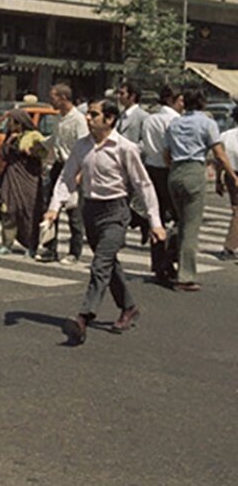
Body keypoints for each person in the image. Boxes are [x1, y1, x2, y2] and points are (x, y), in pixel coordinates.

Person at [46, 100, 164, 346]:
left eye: (94, 114)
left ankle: (83, 317)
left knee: (100, 263)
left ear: (109, 119)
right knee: (109, 263)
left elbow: (144, 185)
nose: (88, 118)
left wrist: (155, 221)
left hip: (116, 212)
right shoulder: (82, 146)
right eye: (88, 114)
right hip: (90, 210)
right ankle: (129, 307)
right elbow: (67, 177)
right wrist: (53, 208)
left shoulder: (125, 148)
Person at [164, 87, 238, 291]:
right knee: (191, 226)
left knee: (180, 220)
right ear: (203, 103)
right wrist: (231, 175)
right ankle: (185, 276)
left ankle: (166, 260)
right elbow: (219, 153)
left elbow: (166, 153)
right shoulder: (207, 123)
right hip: (194, 170)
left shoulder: (174, 123)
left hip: (175, 171)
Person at [139, 84, 183, 283]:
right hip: (168, 170)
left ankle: (158, 262)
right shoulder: (175, 121)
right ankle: (170, 256)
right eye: (180, 99)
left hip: (151, 169)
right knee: (178, 217)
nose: (183, 104)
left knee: (156, 217)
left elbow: (145, 145)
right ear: (171, 100)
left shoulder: (150, 119)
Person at [0, 110, 47, 259]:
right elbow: (2, 155)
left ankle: (31, 245)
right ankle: (7, 243)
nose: (9, 125)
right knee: (8, 210)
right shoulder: (10, 137)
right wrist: (10, 141)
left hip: (28, 178)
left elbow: (45, 152)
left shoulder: (34, 136)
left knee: (29, 211)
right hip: (11, 177)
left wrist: (31, 151)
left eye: (11, 122)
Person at [47, 84, 88, 265]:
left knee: (74, 212)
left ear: (63, 98)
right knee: (50, 207)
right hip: (59, 166)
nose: (51, 101)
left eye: (54, 97)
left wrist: (80, 172)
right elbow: (54, 139)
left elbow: (85, 146)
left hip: (74, 167)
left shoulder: (78, 120)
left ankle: (74, 251)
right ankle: (50, 248)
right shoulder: (59, 119)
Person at [116, 81, 151, 243]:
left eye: (122, 93)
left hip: (133, 164)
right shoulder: (120, 115)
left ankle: (140, 222)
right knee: (121, 201)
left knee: (126, 201)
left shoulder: (143, 117)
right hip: (117, 164)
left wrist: (133, 150)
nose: (119, 96)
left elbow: (145, 142)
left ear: (132, 96)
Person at [218, 105, 238, 261]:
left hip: (229, 175)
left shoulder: (225, 136)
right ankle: (230, 246)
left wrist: (219, 179)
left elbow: (220, 159)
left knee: (235, 209)